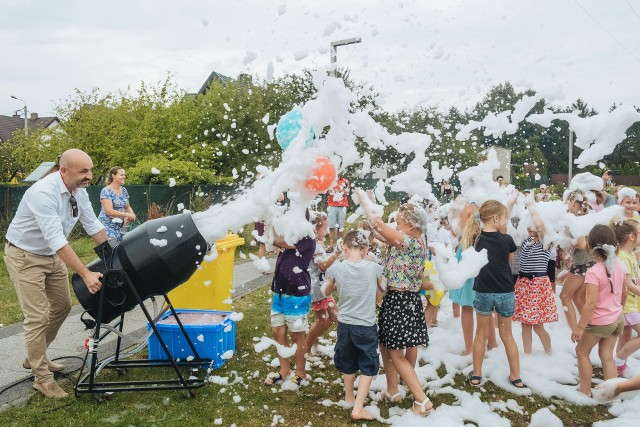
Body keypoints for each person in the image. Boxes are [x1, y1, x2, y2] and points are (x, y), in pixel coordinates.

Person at [4, 149, 107, 399]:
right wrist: (85, 273)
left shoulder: (78, 192)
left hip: (51, 255)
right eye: (84, 171)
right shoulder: (43, 193)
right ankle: (42, 378)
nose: (89, 176)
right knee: (36, 316)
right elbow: (57, 239)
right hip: (25, 256)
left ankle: (34, 357)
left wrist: (115, 257)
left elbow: (92, 224)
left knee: (62, 306)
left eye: (90, 170)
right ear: (64, 170)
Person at [356, 189, 433, 417]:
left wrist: (369, 205)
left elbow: (380, 226)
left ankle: (421, 400)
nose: (395, 225)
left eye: (398, 222)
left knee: (396, 352)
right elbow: (378, 234)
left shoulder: (411, 242)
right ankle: (393, 391)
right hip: (400, 300)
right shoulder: (406, 242)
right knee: (387, 347)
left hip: (401, 301)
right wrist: (370, 223)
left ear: (411, 225)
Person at [323, 230, 385, 421]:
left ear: (344, 248)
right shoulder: (373, 268)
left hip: (345, 324)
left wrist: (336, 284)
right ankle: (358, 408)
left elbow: (325, 291)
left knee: (347, 360)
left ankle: (349, 397)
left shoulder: (338, 268)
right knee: (368, 364)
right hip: (365, 325)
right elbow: (384, 287)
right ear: (366, 249)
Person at [465, 200, 524, 389]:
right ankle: (516, 377)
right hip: (505, 291)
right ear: (496, 218)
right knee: (507, 335)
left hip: (483, 291)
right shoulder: (506, 240)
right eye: (505, 218)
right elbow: (509, 260)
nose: (506, 221)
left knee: (480, 334)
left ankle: (476, 374)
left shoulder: (476, 239)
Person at [571, 224, 626, 397]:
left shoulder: (594, 272)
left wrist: (580, 327)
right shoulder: (620, 266)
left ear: (590, 248)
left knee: (581, 352)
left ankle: (585, 391)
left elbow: (591, 303)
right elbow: (623, 294)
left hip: (600, 322)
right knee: (607, 356)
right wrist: (617, 310)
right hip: (617, 318)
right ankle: (612, 395)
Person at [264, 210, 316, 388]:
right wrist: (270, 218)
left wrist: (272, 228)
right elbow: (274, 241)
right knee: (278, 332)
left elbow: (279, 242)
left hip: (297, 294)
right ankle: (284, 370)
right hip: (279, 292)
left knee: (296, 335)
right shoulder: (289, 235)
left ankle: (301, 373)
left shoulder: (307, 238)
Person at [512, 198, 558, 354]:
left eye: (533, 224)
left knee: (538, 326)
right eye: (528, 224)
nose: (531, 227)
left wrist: (532, 206)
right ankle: (527, 354)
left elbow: (540, 226)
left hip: (537, 285)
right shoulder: (528, 240)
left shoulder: (546, 241)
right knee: (525, 324)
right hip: (524, 283)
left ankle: (550, 351)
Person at [306, 212, 340, 356]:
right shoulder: (316, 246)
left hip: (323, 288)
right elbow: (322, 266)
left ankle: (314, 344)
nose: (326, 232)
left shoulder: (317, 243)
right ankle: (306, 349)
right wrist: (336, 253)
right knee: (324, 320)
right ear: (315, 229)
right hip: (318, 289)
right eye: (324, 228)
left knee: (331, 317)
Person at [559, 190, 593, 332]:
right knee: (578, 298)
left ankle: (576, 331)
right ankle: (590, 327)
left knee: (565, 296)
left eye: (567, 201)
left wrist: (568, 244)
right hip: (589, 261)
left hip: (582, 262)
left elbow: (581, 243)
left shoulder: (576, 219)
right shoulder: (585, 217)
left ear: (573, 202)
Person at [612, 220, 640, 376]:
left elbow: (636, 278)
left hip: (631, 304)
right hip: (627, 305)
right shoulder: (623, 257)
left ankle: (619, 366)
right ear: (631, 236)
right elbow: (628, 284)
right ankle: (618, 360)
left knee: (626, 336)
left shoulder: (630, 255)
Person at [97, 166, 136, 242]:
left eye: (124, 175)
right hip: (107, 227)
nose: (124, 177)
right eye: (121, 175)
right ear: (113, 176)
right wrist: (127, 215)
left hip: (120, 227)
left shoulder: (124, 190)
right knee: (111, 250)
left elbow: (127, 207)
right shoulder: (106, 191)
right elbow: (109, 211)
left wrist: (132, 214)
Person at [326, 174, 350, 252]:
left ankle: (340, 246)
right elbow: (329, 192)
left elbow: (347, 193)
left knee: (341, 227)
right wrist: (340, 191)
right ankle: (331, 246)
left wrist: (336, 191)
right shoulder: (330, 181)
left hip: (342, 206)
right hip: (331, 206)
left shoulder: (345, 181)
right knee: (331, 226)